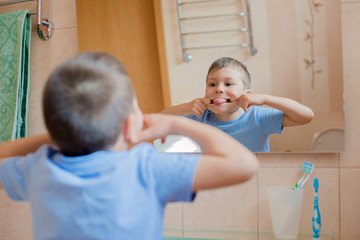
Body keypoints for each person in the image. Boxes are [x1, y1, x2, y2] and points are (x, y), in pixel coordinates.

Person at [0, 52, 258, 240]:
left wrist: (60, 134)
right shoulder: (144, 168)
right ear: (127, 127)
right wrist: (174, 125)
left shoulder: (39, 169)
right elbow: (244, 164)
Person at [161, 57, 314, 152]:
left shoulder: (257, 117)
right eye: (212, 84)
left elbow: (306, 116)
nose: (219, 89)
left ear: (246, 95)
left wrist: (266, 99)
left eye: (228, 84)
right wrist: (184, 107)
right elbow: (158, 121)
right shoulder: (199, 118)